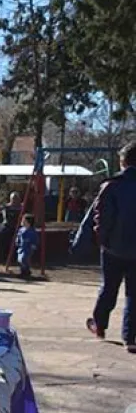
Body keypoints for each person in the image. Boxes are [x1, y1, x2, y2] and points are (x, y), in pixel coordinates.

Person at [74, 141, 136, 352]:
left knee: (108, 288)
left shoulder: (112, 185)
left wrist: (102, 240)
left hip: (113, 248)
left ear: (123, 161)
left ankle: (100, 325)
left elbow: (102, 217)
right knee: (134, 294)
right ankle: (131, 337)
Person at [16, 215, 38, 279]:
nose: (22, 221)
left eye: (23, 220)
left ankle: (25, 272)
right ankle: (25, 271)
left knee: (24, 259)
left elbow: (35, 239)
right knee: (19, 259)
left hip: (28, 248)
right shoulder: (21, 229)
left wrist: (34, 245)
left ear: (28, 222)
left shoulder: (32, 231)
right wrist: (17, 241)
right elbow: (18, 236)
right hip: (21, 247)